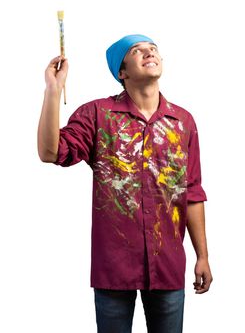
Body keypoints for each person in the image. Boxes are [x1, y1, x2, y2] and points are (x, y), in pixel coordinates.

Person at [38, 34, 213, 333]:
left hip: (168, 265)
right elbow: (50, 152)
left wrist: (203, 256)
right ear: (122, 72)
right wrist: (53, 90)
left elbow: (192, 193)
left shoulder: (183, 122)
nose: (149, 52)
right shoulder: (97, 115)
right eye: (137, 50)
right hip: (114, 267)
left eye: (153, 48)